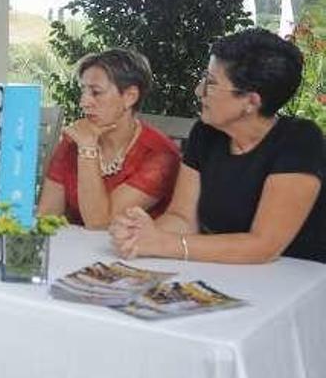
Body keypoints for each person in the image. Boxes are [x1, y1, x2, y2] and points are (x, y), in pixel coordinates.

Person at [110, 29, 326, 264]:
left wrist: (163, 243)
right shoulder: (206, 133)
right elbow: (183, 218)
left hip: (300, 280)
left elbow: (264, 246)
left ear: (251, 101)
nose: (198, 90)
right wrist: (139, 234)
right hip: (225, 272)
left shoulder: (299, 140)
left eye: (211, 83)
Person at [37, 49, 181, 229]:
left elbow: (100, 223)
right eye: (83, 91)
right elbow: (46, 216)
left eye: (96, 92)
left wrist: (88, 149)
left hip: (130, 253)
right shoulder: (75, 140)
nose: (84, 102)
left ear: (130, 97)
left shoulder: (159, 154)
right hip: (76, 249)